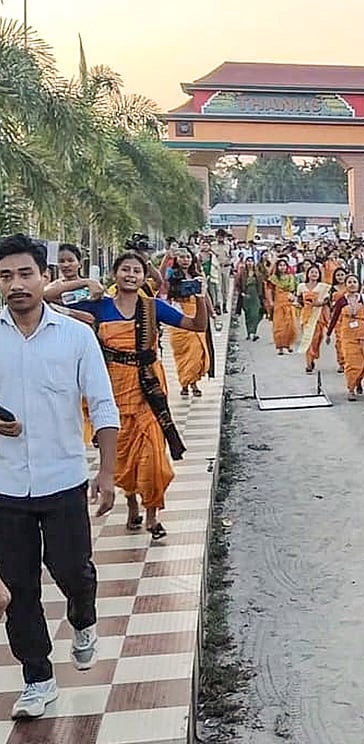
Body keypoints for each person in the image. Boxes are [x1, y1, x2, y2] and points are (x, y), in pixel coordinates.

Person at [0, 235, 120, 719]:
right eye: (5, 276)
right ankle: (38, 679)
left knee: (72, 569)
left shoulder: (76, 336)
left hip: (64, 477)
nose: (15, 285)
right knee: (18, 587)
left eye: (25, 274)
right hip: (6, 486)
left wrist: (107, 472)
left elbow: (104, 405)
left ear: (45, 277)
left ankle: (83, 617)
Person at [50, 252, 210, 541]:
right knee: (122, 455)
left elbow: (196, 326)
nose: (131, 275)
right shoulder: (100, 306)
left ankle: (152, 515)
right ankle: (132, 503)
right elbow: (47, 297)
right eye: (125, 269)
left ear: (144, 277)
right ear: (115, 274)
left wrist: (200, 296)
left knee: (152, 454)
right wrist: (85, 281)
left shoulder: (153, 308)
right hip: (112, 389)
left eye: (137, 270)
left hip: (149, 389)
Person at [165, 249, 212, 398]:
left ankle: (194, 383)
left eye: (188, 257)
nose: (185, 260)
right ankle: (184, 383)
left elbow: (205, 295)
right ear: (177, 259)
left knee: (197, 352)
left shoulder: (197, 276)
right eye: (181, 257)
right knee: (182, 354)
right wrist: (167, 257)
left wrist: (212, 311)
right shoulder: (172, 275)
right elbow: (161, 280)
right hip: (179, 317)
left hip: (197, 314)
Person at [325, 274, 364, 401]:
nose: (352, 284)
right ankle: (351, 389)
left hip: (363, 336)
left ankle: (358, 381)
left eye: (354, 281)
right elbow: (334, 317)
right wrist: (328, 333)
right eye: (349, 282)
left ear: (358, 284)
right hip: (348, 336)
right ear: (345, 285)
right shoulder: (342, 300)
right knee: (351, 363)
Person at [296, 265, 332, 374]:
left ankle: (313, 355)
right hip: (307, 315)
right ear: (307, 274)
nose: (314, 274)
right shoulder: (301, 286)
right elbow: (299, 299)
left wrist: (319, 303)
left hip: (319, 315)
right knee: (308, 339)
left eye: (316, 272)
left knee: (317, 338)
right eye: (312, 272)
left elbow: (327, 299)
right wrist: (303, 303)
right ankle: (308, 363)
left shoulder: (323, 286)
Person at [265, 258, 299, 354]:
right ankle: (280, 347)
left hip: (289, 303)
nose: (282, 267)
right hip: (278, 304)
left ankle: (288, 345)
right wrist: (270, 302)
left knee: (290, 325)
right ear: (277, 267)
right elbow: (269, 290)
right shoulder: (273, 279)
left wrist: (294, 297)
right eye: (280, 265)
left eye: (284, 265)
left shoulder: (291, 277)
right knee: (279, 326)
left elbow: (295, 290)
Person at [234, 256, 266, 341]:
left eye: (251, 261)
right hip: (246, 296)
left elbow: (262, 285)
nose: (250, 263)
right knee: (248, 315)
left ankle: (253, 332)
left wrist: (262, 296)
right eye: (248, 261)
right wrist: (242, 293)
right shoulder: (242, 273)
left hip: (255, 295)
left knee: (256, 315)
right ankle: (249, 333)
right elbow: (237, 284)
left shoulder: (258, 274)